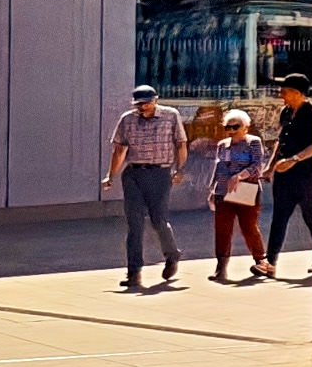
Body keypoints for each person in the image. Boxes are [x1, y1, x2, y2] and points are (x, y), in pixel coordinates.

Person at [101, 84, 190, 290]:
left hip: (160, 173)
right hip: (134, 174)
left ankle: (172, 255)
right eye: (139, 104)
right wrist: (110, 175)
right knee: (134, 224)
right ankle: (134, 272)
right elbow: (119, 150)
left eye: (146, 104)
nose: (142, 108)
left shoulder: (170, 116)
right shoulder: (127, 119)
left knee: (158, 220)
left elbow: (181, 144)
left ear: (155, 100)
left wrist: (179, 169)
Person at [265, 73, 312, 281]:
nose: (281, 95)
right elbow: (280, 141)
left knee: (311, 217)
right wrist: (270, 166)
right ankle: (269, 262)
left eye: (285, 92)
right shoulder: (286, 112)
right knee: (279, 218)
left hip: (306, 176)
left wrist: (294, 160)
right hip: (284, 176)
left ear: (297, 93)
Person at [208, 109, 270, 283]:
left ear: (245, 127)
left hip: (246, 190)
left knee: (248, 227)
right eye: (228, 127)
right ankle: (221, 267)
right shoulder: (222, 145)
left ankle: (261, 261)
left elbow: (257, 166)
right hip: (224, 192)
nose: (231, 131)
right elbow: (218, 168)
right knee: (222, 230)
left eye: (235, 127)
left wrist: (240, 175)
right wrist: (212, 189)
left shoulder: (253, 142)